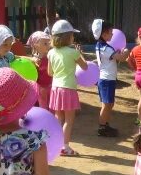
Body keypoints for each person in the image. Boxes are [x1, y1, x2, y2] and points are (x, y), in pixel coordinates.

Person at [47, 19, 88, 158]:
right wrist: (79, 53)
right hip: (68, 88)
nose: (73, 37)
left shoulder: (51, 53)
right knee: (69, 121)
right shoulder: (73, 53)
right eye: (71, 35)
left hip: (56, 88)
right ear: (67, 37)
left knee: (58, 117)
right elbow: (85, 67)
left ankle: (56, 144)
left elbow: (49, 73)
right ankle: (64, 147)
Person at [92, 19, 128, 137]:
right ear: (103, 34)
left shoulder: (102, 46)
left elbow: (112, 57)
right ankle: (102, 127)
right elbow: (121, 58)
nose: (113, 34)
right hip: (107, 80)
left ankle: (105, 125)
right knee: (107, 104)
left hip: (106, 79)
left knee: (108, 104)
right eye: (110, 32)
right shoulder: (105, 48)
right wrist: (126, 52)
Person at [27, 30, 53, 109]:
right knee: (43, 105)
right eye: (45, 43)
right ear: (36, 45)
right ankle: (45, 117)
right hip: (40, 87)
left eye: (49, 43)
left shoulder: (51, 56)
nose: (48, 46)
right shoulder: (35, 60)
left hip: (51, 85)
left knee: (52, 104)